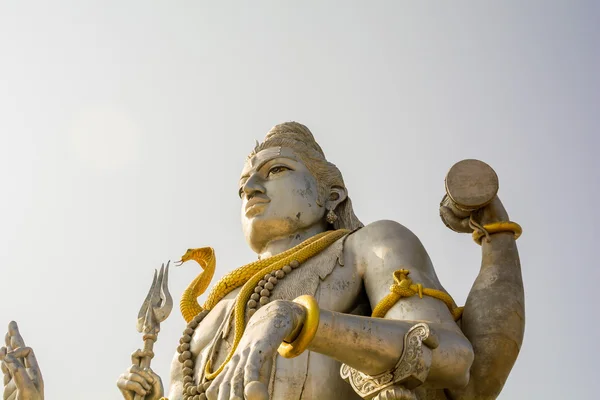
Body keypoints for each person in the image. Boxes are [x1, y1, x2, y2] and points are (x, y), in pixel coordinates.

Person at [3, 122, 525, 400]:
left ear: (329, 194)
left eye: (274, 170)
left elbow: (453, 362)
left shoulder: (369, 246)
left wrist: (298, 319)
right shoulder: (207, 320)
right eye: (241, 185)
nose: (250, 187)